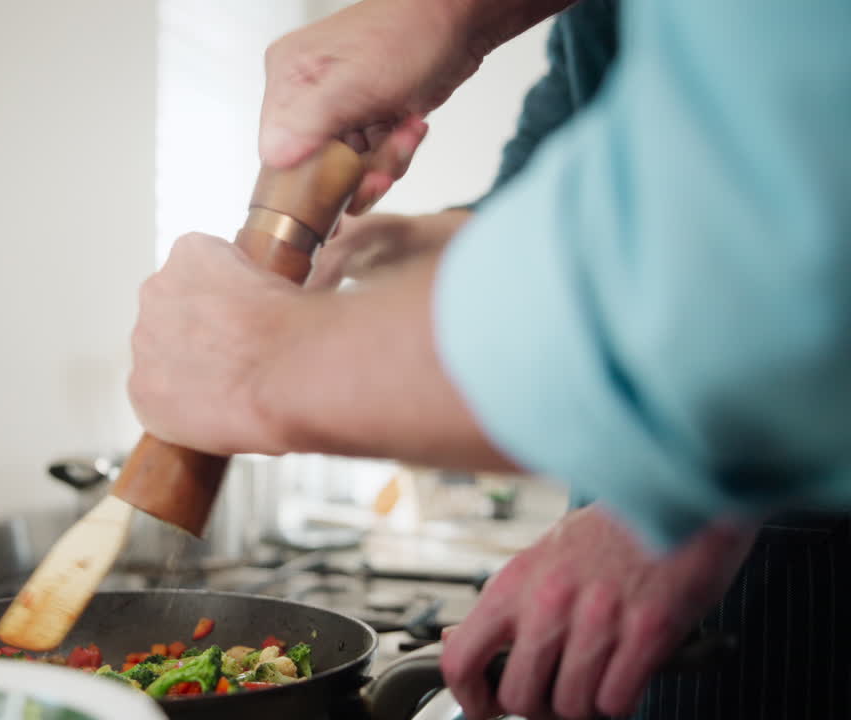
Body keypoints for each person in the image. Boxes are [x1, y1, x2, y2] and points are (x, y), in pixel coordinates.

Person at [128, 0, 851, 717]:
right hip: (665, 511)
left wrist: (273, 364)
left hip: (789, 571)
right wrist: (446, 28)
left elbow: (777, 275)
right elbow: (577, 210)